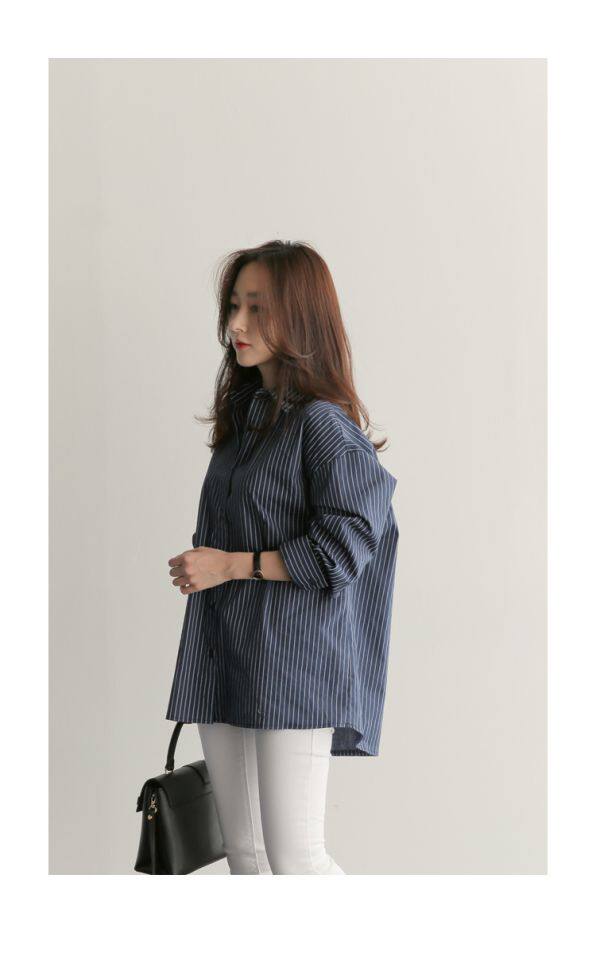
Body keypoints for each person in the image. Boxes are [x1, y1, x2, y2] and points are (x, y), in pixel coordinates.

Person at [166, 240, 399, 875]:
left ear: (300, 318)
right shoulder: (245, 419)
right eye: (233, 306)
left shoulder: (323, 425)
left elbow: (346, 547)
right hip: (224, 652)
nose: (237, 325)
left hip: (293, 662)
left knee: (297, 858)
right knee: (247, 856)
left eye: (257, 309)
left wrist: (228, 565)